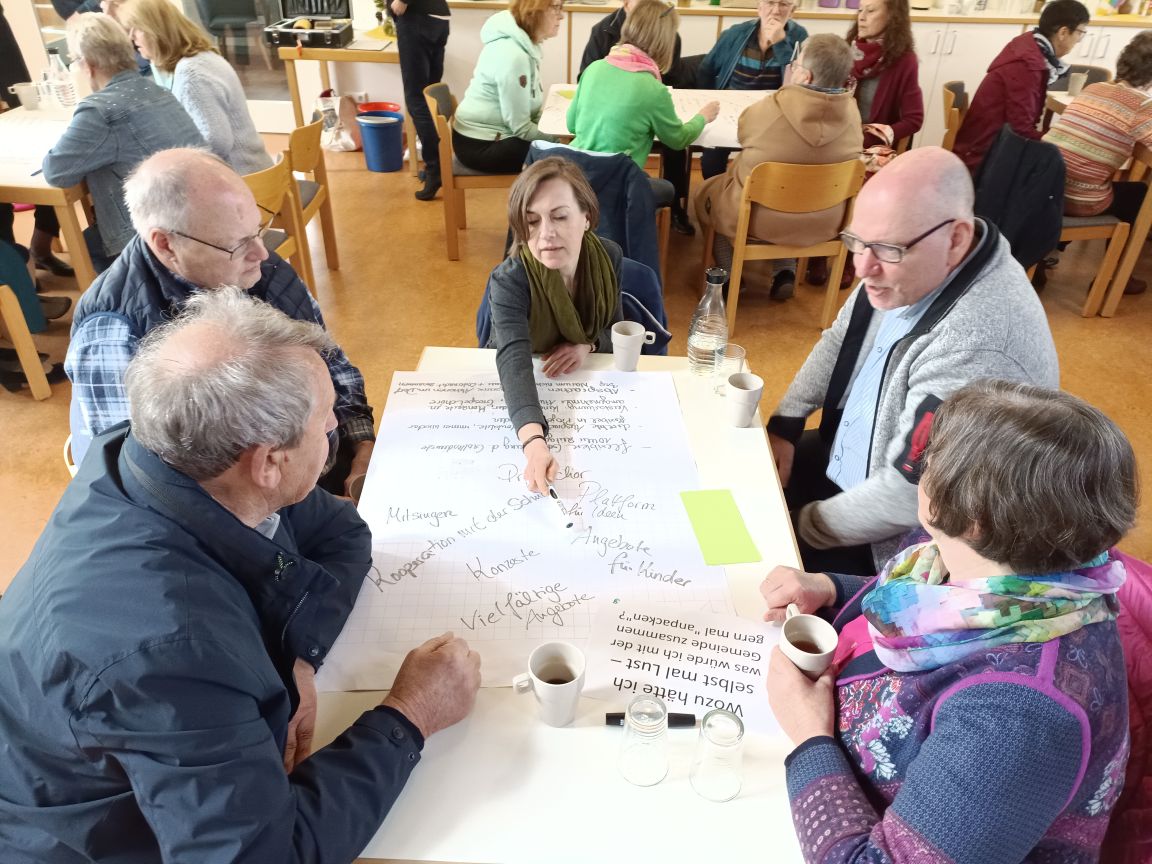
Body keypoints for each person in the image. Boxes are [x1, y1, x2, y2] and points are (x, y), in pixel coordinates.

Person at [0, 287, 482, 862]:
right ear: (269, 462)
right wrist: (411, 714)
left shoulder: (169, 455)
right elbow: (261, 855)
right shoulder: (170, 653)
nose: (336, 425)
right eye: (325, 421)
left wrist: (298, 656)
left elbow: (342, 533)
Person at [763, 378, 1134, 863]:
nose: (918, 467)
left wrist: (810, 735)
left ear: (972, 516)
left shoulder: (1017, 719)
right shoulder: (1008, 561)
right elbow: (933, 600)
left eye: (931, 460)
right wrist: (832, 588)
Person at [766, 147, 1059, 577]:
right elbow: (840, 339)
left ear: (955, 238)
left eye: (886, 249)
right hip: (858, 455)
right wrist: (786, 423)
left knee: (753, 569)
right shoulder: (907, 260)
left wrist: (796, 530)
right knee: (740, 479)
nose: (863, 267)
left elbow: (908, 496)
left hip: (908, 545)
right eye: (856, 242)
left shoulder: (977, 343)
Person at [64, 148, 375, 496]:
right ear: (166, 244)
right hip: (249, 506)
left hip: (308, 469)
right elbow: (147, 485)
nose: (261, 253)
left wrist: (363, 445)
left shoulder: (256, 266)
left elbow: (332, 365)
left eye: (258, 230)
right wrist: (314, 511)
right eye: (236, 245)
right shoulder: (112, 335)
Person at [487, 158, 625, 492]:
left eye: (560, 216)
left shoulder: (609, 257)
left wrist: (587, 345)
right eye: (531, 222)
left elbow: (616, 331)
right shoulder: (510, 279)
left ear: (586, 217)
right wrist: (535, 443)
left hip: (588, 384)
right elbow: (513, 361)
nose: (545, 234)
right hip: (527, 383)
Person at [695, 33, 862, 301]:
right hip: (826, 221)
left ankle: (727, 272)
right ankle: (785, 270)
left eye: (796, 64)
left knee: (709, 195)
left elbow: (743, 134)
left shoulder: (770, 109)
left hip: (759, 220)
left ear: (805, 76)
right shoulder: (853, 114)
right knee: (797, 196)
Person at [41, 14, 204, 273]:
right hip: (196, 216)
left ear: (88, 65)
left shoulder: (100, 110)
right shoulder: (158, 91)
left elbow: (56, 172)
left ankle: (129, 294)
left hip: (154, 234)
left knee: (88, 243)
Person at [568, 0, 718, 209]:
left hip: (577, 174)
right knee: (667, 189)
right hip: (616, 180)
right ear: (665, 42)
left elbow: (572, 125)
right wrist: (703, 117)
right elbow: (678, 140)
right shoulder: (654, 89)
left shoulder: (593, 69)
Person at [1043, 30, 1152, 295]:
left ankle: (1048, 251)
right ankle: (1115, 278)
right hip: (1078, 200)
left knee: (1105, 179)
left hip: (1045, 188)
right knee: (1138, 194)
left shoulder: (1093, 88)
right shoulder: (1141, 107)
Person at [120, 0, 272, 176]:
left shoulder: (191, 74)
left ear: (156, 31)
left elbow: (216, 143)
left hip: (243, 178)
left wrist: (169, 150)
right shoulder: (204, 57)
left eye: (136, 29)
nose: (131, 37)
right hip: (255, 171)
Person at [953, 0, 1090, 172]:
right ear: (1063, 32)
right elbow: (1020, 131)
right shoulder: (1028, 65)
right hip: (984, 155)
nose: (1079, 41)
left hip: (985, 143)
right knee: (1066, 166)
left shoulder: (1028, 46)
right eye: (1080, 33)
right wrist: (1060, 142)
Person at [696, 0, 808, 179]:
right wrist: (711, 102)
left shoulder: (799, 37)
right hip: (729, 110)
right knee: (711, 162)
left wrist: (780, 43)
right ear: (759, 8)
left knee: (764, 166)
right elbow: (706, 70)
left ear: (792, 11)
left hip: (772, 115)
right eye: (770, 3)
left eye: (783, 4)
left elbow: (799, 82)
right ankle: (717, 193)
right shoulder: (735, 34)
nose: (776, 10)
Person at [452, 0, 563, 174]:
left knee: (559, 151)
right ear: (535, 11)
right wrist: (560, 140)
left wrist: (557, 131)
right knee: (562, 158)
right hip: (480, 145)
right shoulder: (513, 55)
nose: (561, 15)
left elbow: (529, 115)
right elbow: (520, 127)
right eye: (556, 7)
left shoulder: (524, 45)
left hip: (492, 136)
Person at [388, 0, 450, 200]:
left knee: (417, 100)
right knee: (428, 97)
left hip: (417, 18)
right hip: (437, 16)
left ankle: (435, 169)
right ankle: (440, 166)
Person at [846, 0, 923, 151]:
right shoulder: (847, 49)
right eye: (860, 10)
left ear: (891, 16)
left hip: (872, 150)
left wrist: (874, 137)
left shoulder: (904, 60)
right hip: (839, 142)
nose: (861, 17)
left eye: (871, 11)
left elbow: (914, 120)